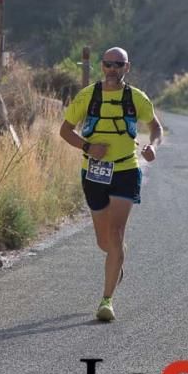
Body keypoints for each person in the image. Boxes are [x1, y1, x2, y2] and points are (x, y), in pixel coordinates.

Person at [59, 47, 162, 321]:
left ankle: (106, 301)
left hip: (126, 170)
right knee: (104, 242)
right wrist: (88, 147)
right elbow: (65, 130)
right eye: (108, 64)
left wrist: (152, 146)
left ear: (127, 67)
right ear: (102, 66)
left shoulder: (136, 98)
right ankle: (116, 260)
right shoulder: (88, 96)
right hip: (94, 172)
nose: (112, 69)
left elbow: (156, 127)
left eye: (118, 64)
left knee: (116, 233)